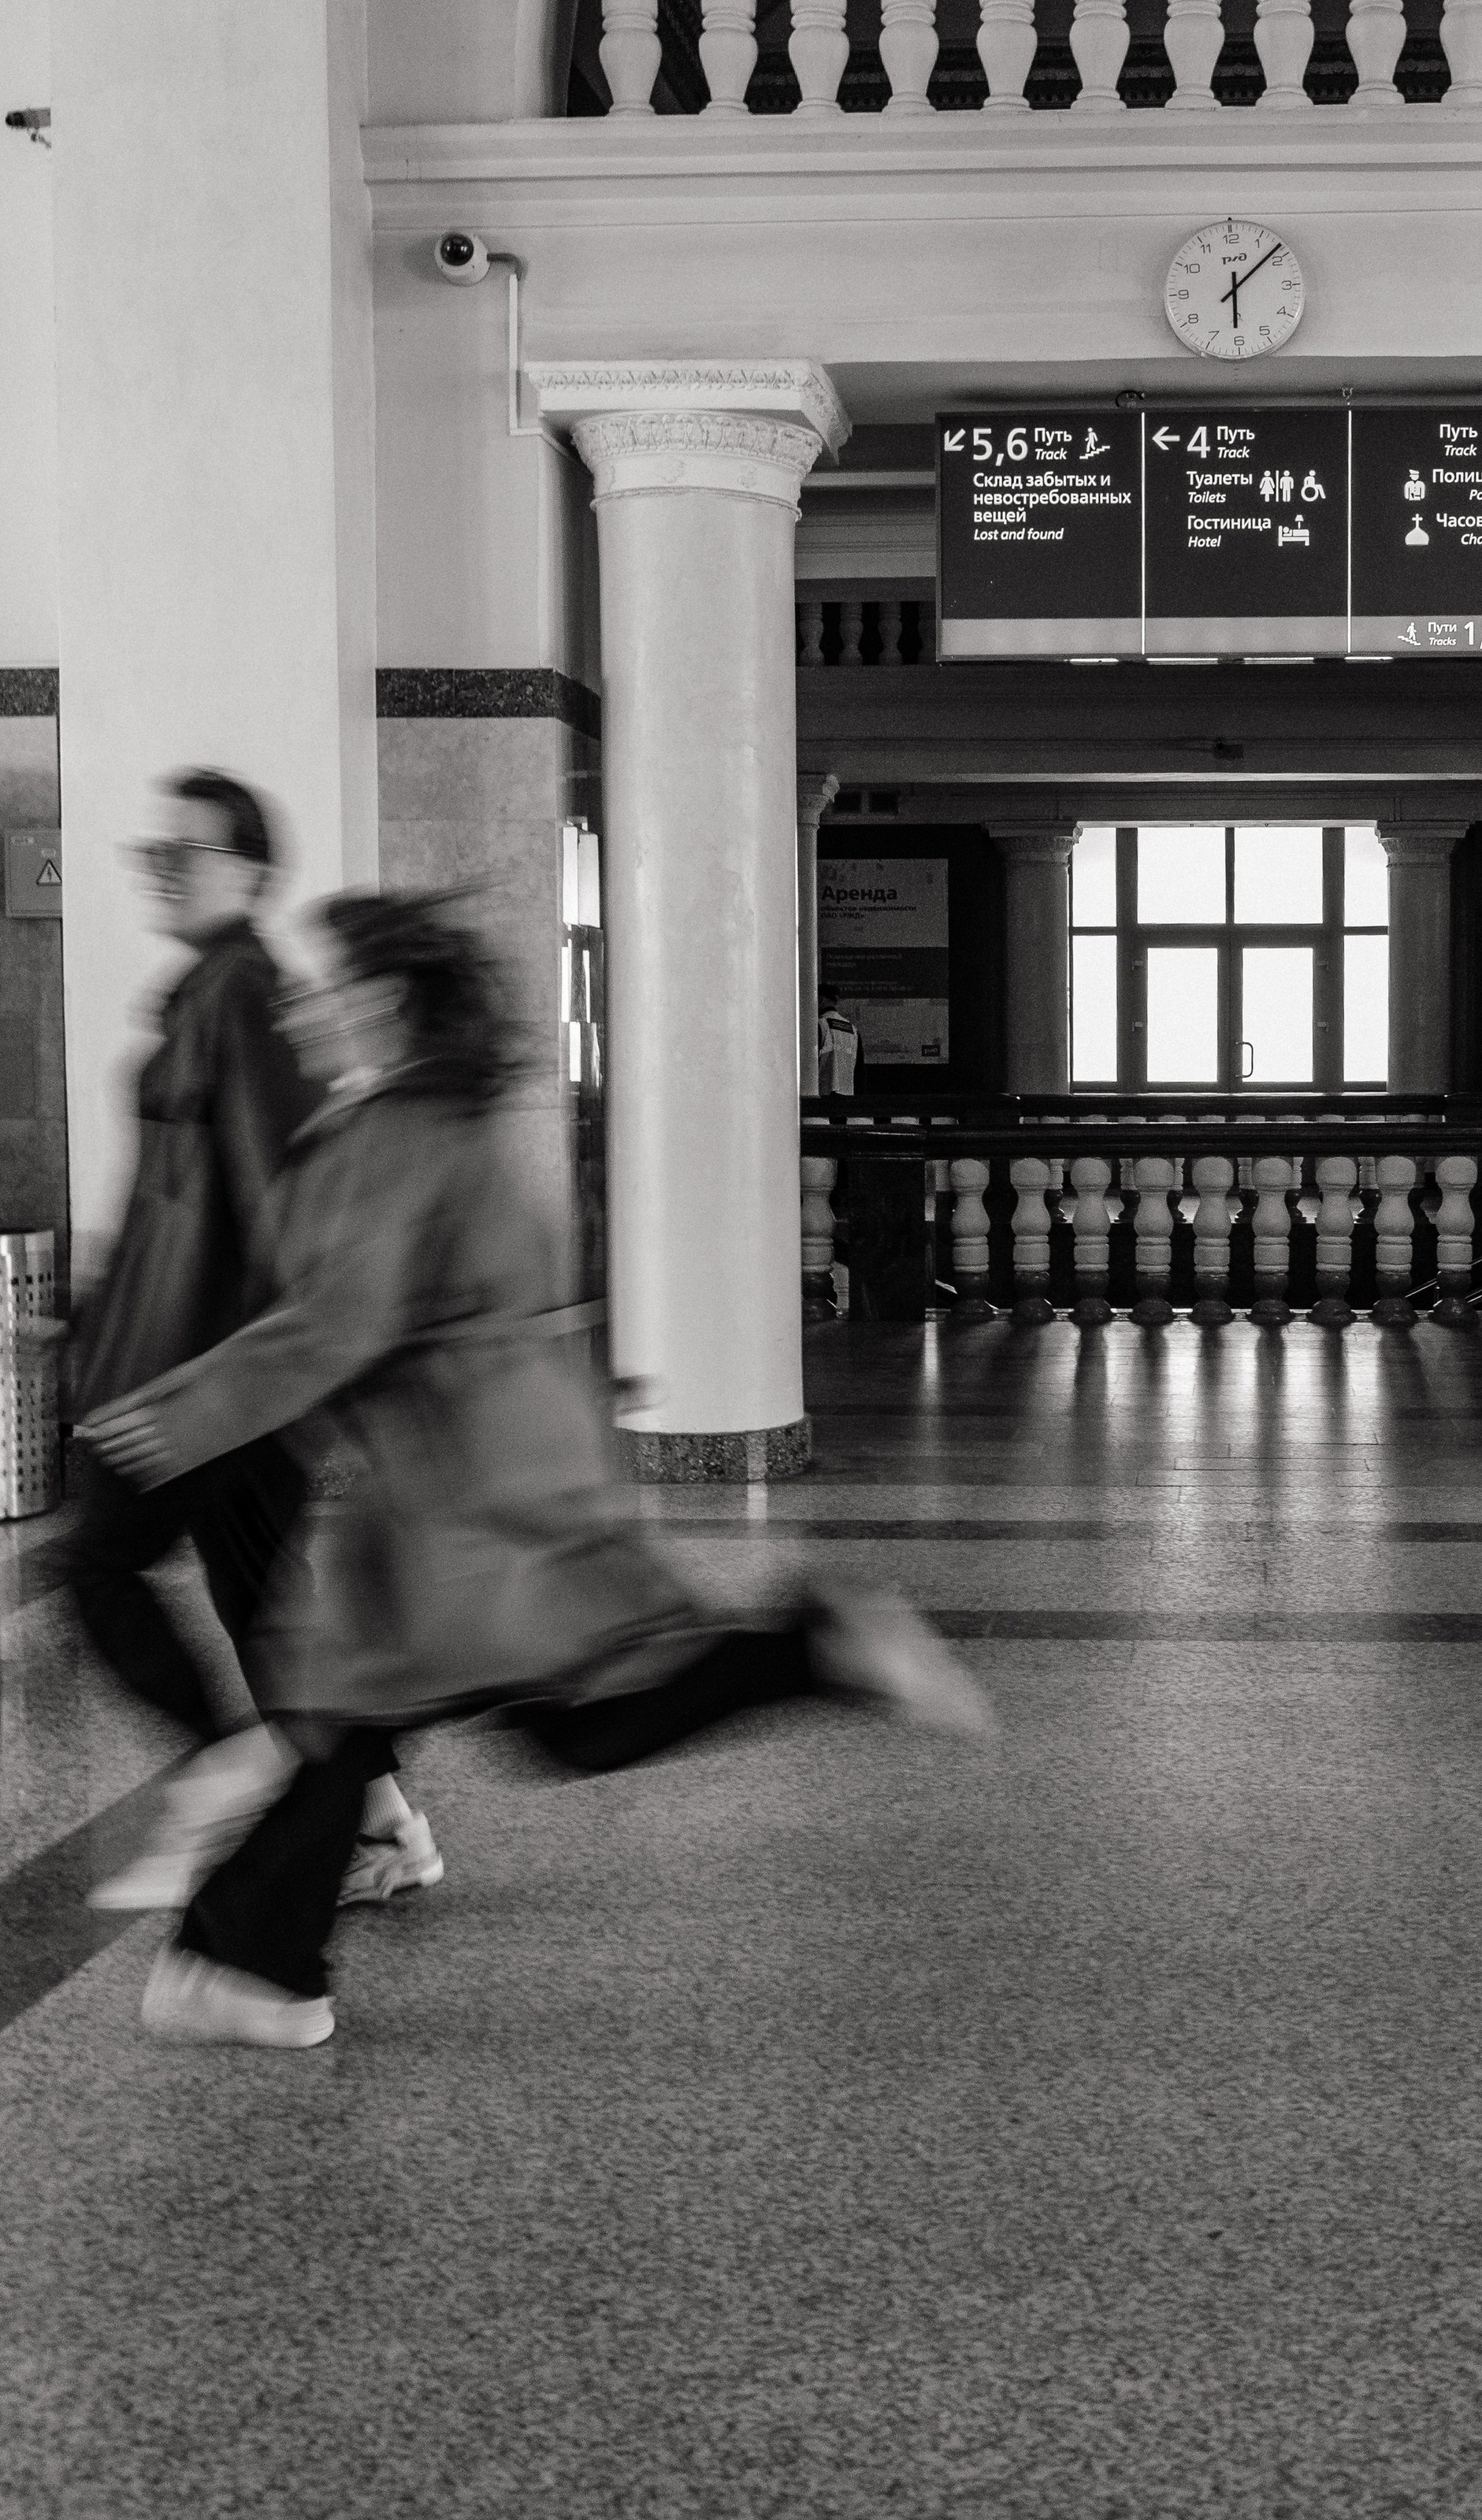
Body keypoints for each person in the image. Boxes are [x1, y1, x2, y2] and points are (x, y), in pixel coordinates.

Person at [83, 889, 990, 2051]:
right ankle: (260, 1962)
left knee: (366, 1714)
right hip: (489, 1469)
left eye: (329, 988)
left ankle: (253, 1965)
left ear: (387, 1001)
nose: (306, 1010)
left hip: (454, 1492)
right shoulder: (438, 1123)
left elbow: (338, 1326)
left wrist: (178, 1417)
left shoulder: (392, 1137)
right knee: (503, 1720)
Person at [63, 770, 438, 1915]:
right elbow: (180, 1203)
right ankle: (386, 1828)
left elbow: (281, 1202)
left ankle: (226, 1771)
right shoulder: (206, 990)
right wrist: (93, 1309)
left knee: (101, 1570)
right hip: (195, 1364)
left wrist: (254, 1377)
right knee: (272, 1615)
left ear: (252, 872)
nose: (165, 866)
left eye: (192, 850)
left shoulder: (245, 992)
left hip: (204, 1379)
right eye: (157, 848)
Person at [815, 982, 860, 1097]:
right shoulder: (853, 1029)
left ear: (820, 1000)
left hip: (822, 1094)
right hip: (847, 1095)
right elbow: (859, 1070)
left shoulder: (820, 1024)